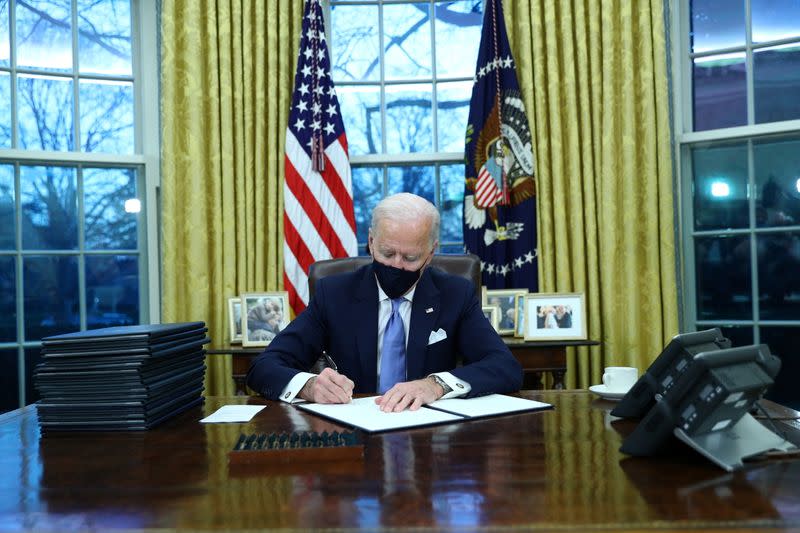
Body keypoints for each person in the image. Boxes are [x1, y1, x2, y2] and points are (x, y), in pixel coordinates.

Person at [246, 193, 523, 412]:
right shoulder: (335, 294)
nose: (396, 265)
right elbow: (264, 367)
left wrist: (436, 385)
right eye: (387, 253)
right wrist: (308, 386)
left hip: (430, 435)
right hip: (355, 435)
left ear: (431, 253)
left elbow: (504, 367)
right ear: (370, 242)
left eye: (410, 258)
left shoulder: (455, 294)